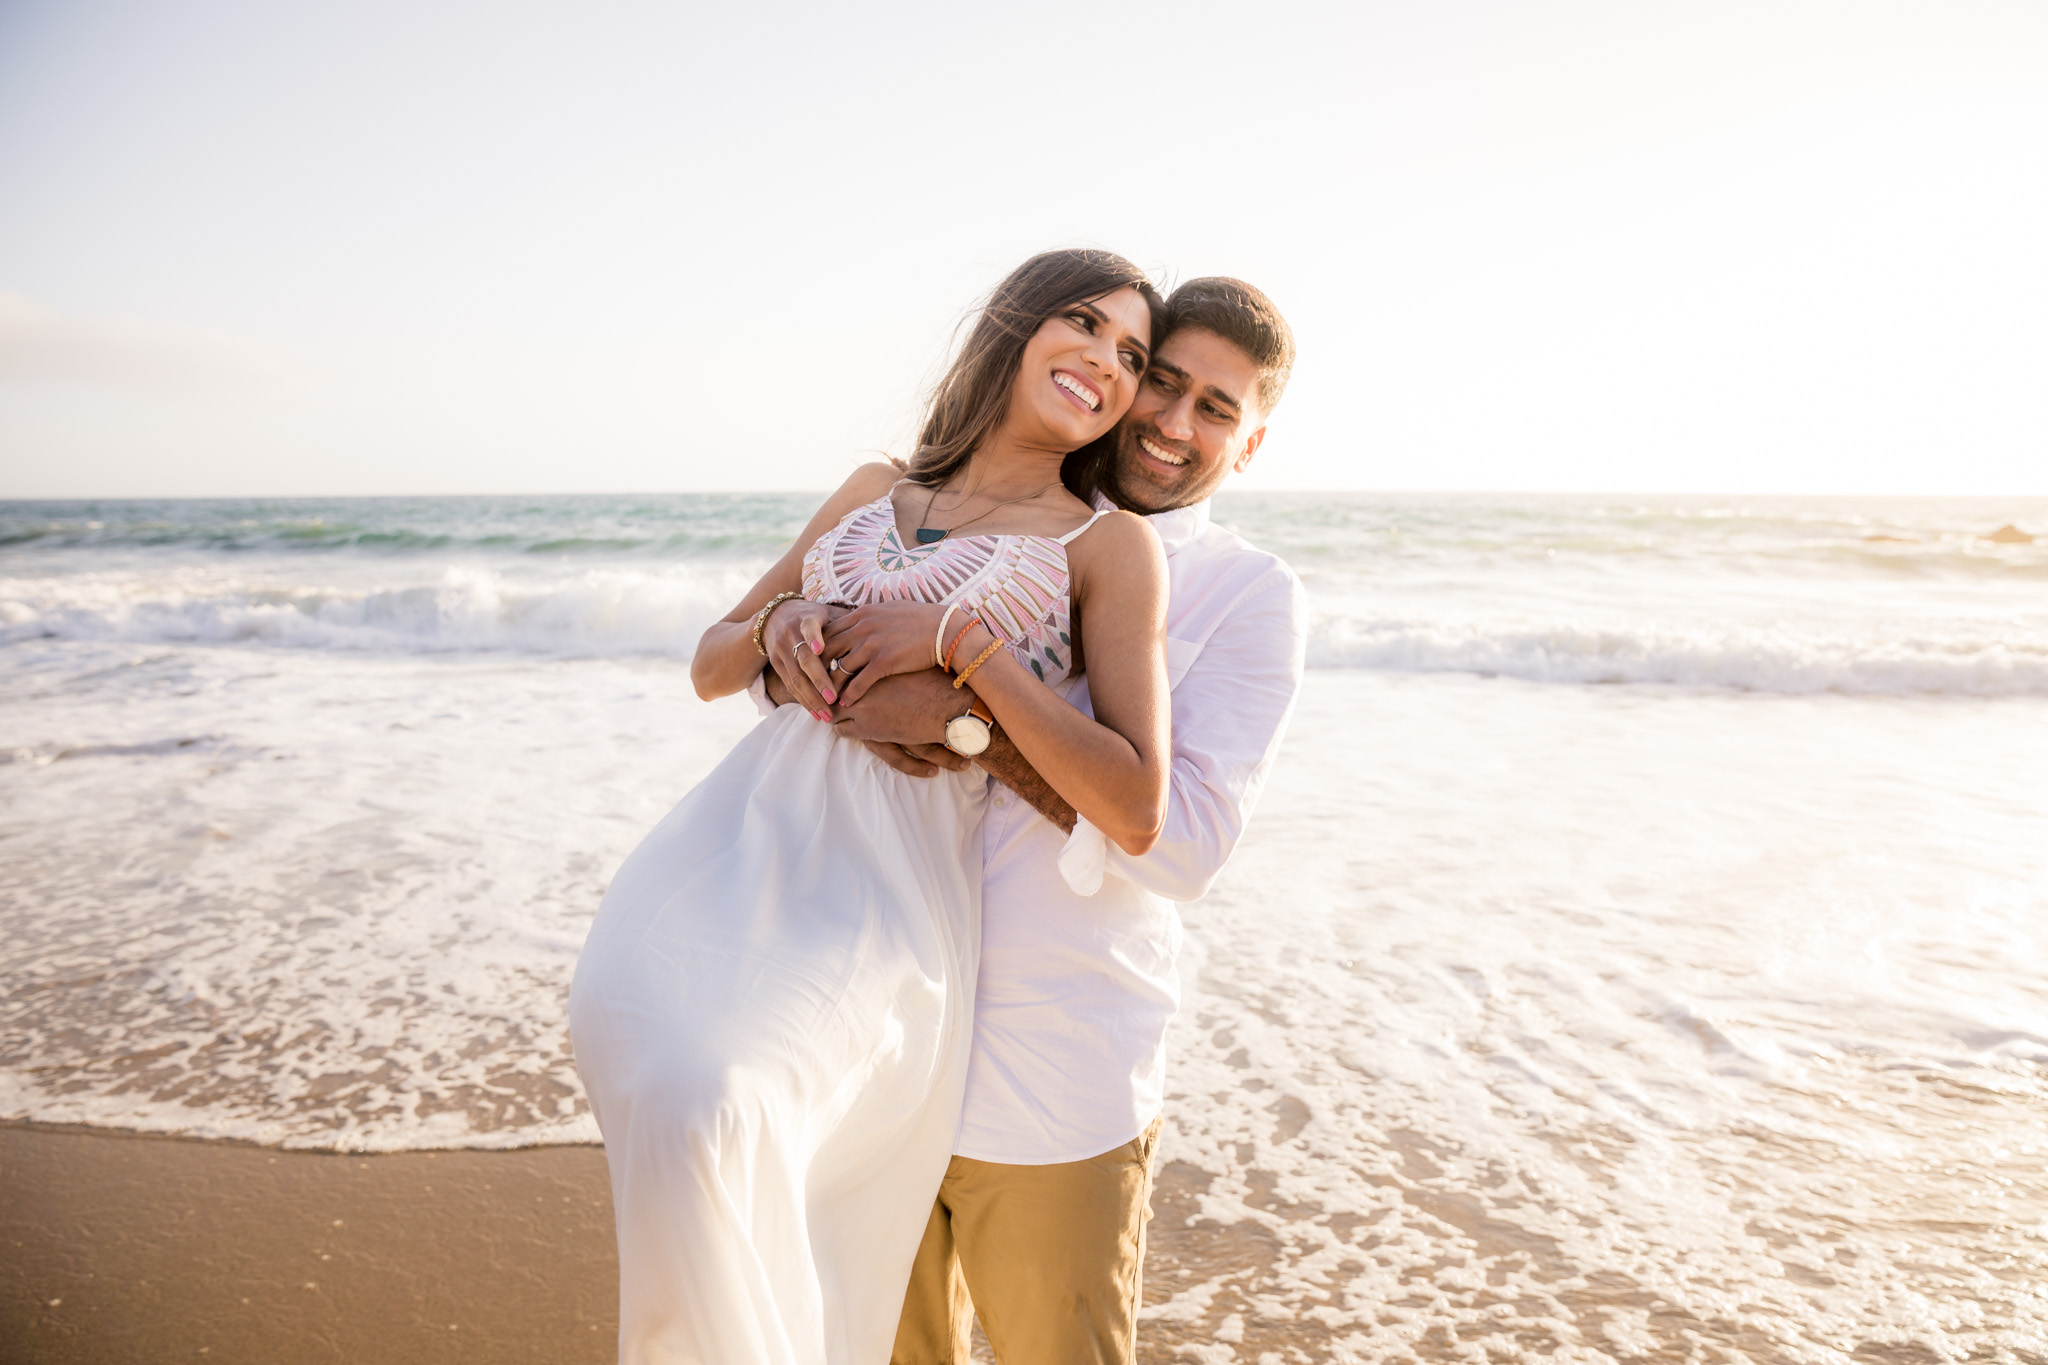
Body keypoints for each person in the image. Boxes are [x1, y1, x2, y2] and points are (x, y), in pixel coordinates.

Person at [569, 248, 1176, 1365]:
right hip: (731, 848)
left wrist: (964, 655)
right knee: (648, 1061)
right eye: (1083, 324)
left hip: (886, 893)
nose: (1104, 359)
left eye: (1131, 354)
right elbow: (710, 663)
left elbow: (1136, 804)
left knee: (720, 1105)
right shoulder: (870, 489)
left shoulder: (1108, 544)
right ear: (1015, 325)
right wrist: (777, 632)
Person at [785, 277, 1306, 1365]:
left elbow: (1185, 846)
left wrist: (970, 719)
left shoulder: (1245, 594)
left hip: (1051, 1066)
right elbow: (787, 671)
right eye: (1160, 382)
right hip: (872, 1030)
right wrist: (792, 631)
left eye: (1216, 408)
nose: (1171, 422)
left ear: (1249, 446)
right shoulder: (972, 513)